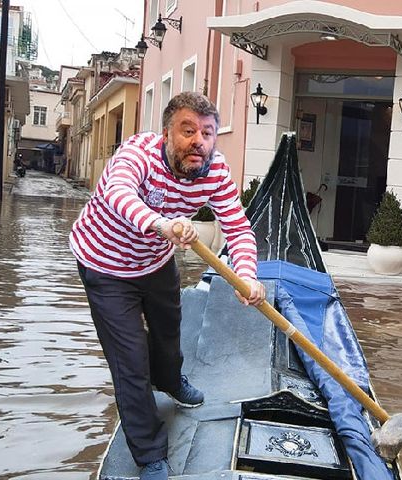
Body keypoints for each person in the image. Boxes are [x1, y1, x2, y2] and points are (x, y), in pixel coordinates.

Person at [69, 92, 266, 480]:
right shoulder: (138, 154)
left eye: (208, 133)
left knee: (168, 332)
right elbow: (118, 193)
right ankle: (150, 456)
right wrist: (161, 223)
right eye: (188, 130)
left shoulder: (215, 171)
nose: (199, 142)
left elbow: (238, 228)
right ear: (166, 133)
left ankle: (171, 379)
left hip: (155, 263)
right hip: (105, 266)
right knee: (131, 363)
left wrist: (247, 275)